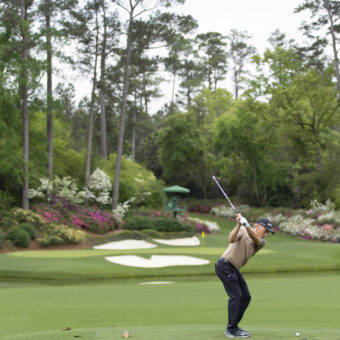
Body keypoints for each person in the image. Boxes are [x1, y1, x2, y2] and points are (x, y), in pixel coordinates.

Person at [215, 213, 275, 338]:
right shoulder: (242, 229)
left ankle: (234, 326)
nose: (266, 234)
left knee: (246, 297)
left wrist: (246, 225)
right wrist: (238, 224)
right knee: (236, 296)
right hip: (224, 266)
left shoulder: (261, 242)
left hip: (234, 269)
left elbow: (256, 239)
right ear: (258, 226)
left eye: (268, 232)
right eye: (265, 231)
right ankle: (231, 329)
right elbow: (231, 239)